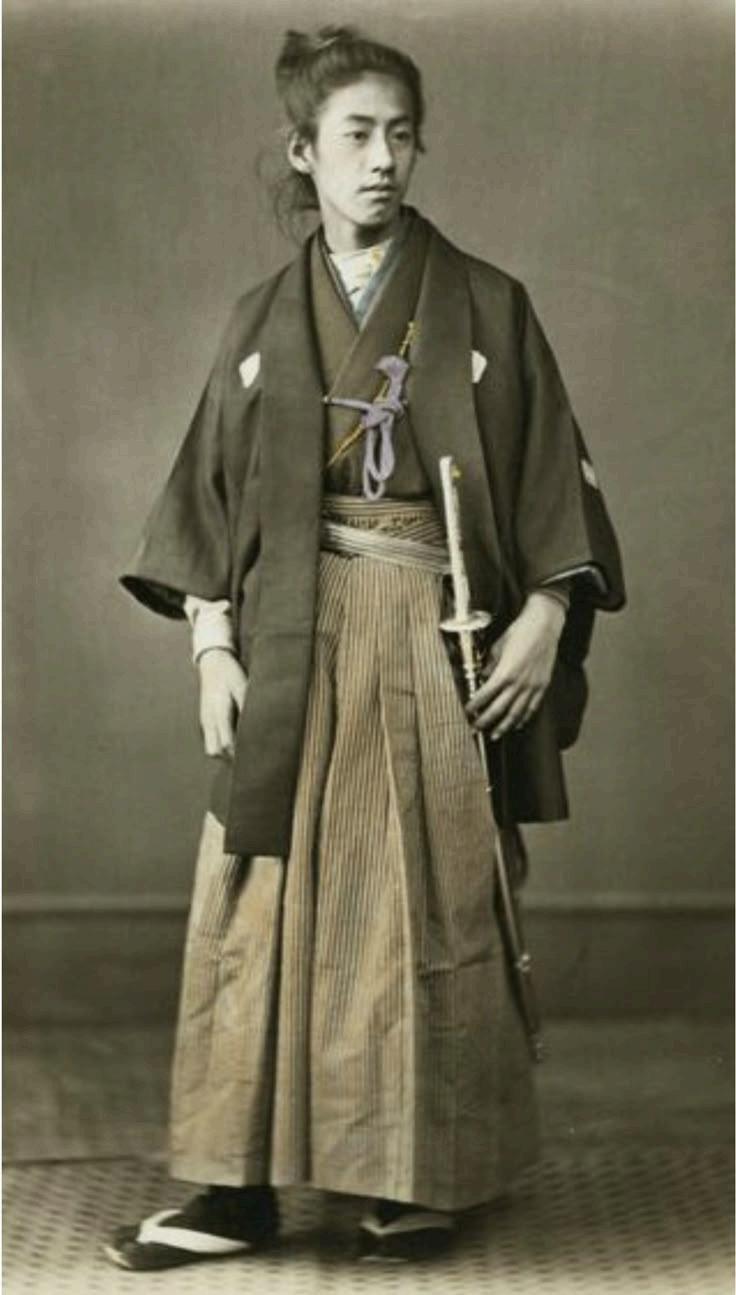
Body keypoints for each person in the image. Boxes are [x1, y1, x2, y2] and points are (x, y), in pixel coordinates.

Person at [105, 24, 625, 1271]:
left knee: (421, 900)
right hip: (289, 631)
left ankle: (413, 1175)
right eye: (356, 134)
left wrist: (546, 614)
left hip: (428, 628)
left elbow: (553, 480)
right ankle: (232, 1188)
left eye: (401, 133)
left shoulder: (486, 303)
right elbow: (207, 502)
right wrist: (212, 647)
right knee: (260, 897)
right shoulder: (260, 318)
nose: (383, 156)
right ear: (304, 151)